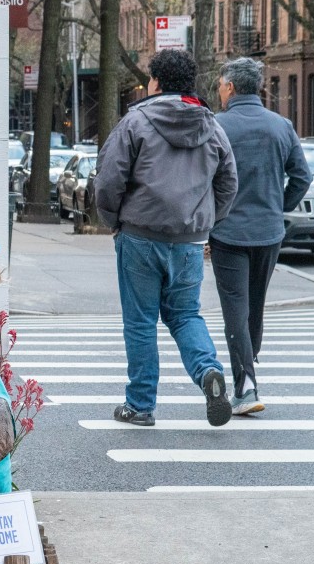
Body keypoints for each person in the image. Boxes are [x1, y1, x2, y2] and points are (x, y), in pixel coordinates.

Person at [93, 49, 239, 427]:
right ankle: (208, 372)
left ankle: (140, 405)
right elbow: (228, 184)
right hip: (190, 241)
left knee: (141, 321)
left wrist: (112, 220)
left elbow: (109, 179)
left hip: (140, 236)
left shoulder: (135, 121)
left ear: (154, 82)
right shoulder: (213, 127)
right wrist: (205, 222)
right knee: (186, 314)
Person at [210, 58, 312, 415]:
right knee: (255, 304)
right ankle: (248, 367)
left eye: (221, 85)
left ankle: (246, 384)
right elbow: (302, 177)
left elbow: (203, 180)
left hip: (228, 232)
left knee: (235, 308)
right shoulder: (281, 126)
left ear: (231, 88)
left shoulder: (216, 125)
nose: (220, 91)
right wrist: (277, 205)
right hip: (269, 232)